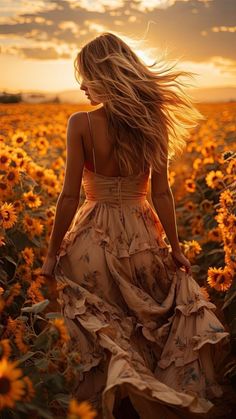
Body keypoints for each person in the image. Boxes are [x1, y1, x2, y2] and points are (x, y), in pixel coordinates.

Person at [41, 32, 230, 419]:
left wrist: (50, 254)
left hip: (94, 239)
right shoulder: (152, 121)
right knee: (146, 327)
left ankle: (119, 400)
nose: (81, 86)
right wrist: (175, 247)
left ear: (102, 75)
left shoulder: (81, 124)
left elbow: (69, 197)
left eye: (86, 75)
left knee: (106, 332)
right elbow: (162, 194)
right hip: (142, 237)